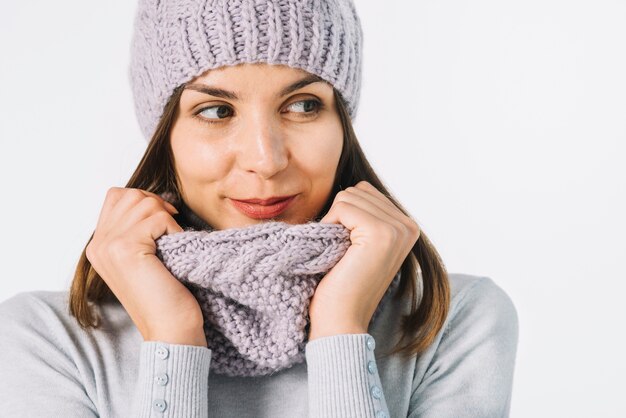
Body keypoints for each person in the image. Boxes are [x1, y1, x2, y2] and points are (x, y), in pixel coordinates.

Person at [0, 0, 519, 417]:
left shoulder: (454, 320)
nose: (265, 160)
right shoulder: (47, 340)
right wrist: (174, 342)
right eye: (216, 110)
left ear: (343, 123)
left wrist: (340, 329)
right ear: (164, 137)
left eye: (303, 105)